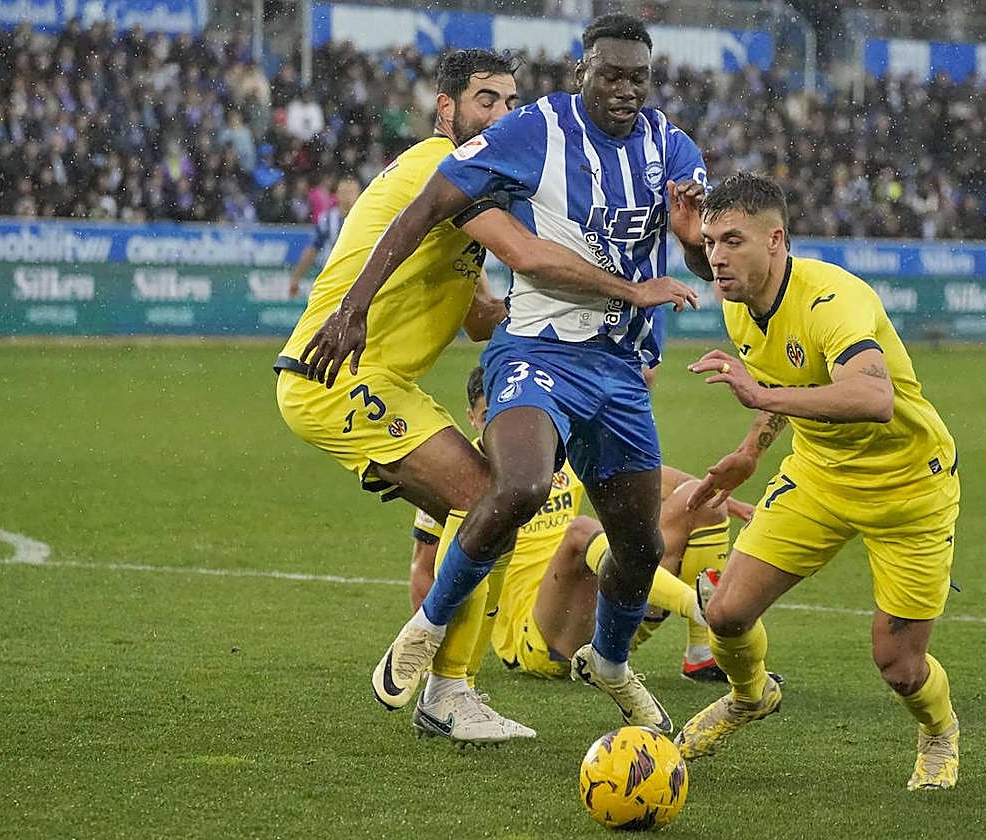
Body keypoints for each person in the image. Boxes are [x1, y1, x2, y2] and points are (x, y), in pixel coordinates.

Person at [299, 14, 712, 736]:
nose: (624, 90)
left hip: (613, 367)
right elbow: (518, 253)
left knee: (639, 544)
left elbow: (481, 306)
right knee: (511, 487)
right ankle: (433, 654)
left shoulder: (667, 146)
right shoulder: (514, 143)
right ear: (581, 72)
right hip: (520, 356)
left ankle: (606, 664)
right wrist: (352, 307)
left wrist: (689, 246)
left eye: (637, 78)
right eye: (609, 74)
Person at [675, 173, 962, 791]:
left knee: (899, 665)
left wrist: (759, 394)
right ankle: (751, 698)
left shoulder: (834, 299)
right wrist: (751, 449)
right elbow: (785, 382)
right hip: (819, 476)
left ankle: (938, 732)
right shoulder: (738, 305)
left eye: (732, 241)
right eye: (709, 241)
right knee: (725, 612)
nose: (716, 257)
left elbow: (873, 395)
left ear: (776, 240)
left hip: (908, 487)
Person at [409, 367, 752, 689]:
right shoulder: (458, 476)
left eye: (507, 412)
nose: (500, 425)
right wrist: (428, 657)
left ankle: (703, 654)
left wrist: (721, 499)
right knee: (580, 532)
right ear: (471, 418)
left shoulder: (553, 449)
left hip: (598, 617)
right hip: (536, 638)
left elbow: (664, 481)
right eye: (488, 416)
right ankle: (703, 608)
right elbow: (424, 570)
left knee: (700, 498)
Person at [287, 176, 361, 299]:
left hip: (357, 279)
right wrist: (296, 277)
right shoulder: (327, 219)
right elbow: (312, 249)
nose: (348, 197)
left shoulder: (365, 218)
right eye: (344, 192)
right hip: (332, 279)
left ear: (359, 194)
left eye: (351, 192)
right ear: (337, 194)